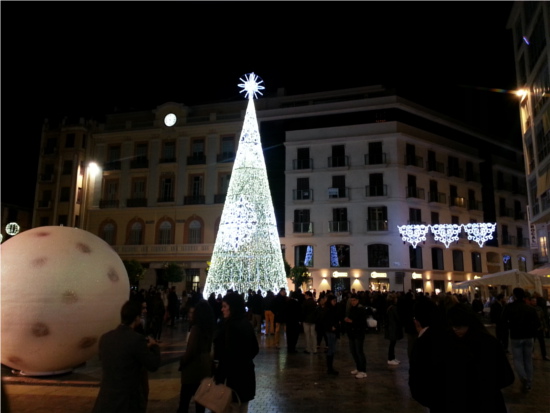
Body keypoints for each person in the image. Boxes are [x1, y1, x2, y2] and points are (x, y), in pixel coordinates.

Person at [92, 300, 161, 413]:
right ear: (137, 318)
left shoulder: (105, 337)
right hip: (126, 401)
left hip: (106, 398)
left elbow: (117, 355)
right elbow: (153, 365)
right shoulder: (136, 339)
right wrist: (154, 346)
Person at [214, 292, 259, 413]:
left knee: (232, 408)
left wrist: (220, 377)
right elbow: (255, 349)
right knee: (242, 408)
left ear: (232, 307)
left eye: (225, 306)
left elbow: (226, 354)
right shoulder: (246, 323)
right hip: (246, 375)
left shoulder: (229, 326)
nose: (222, 309)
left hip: (232, 379)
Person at [177, 300, 215, 413]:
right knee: (200, 404)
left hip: (193, 370)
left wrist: (182, 362)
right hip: (204, 368)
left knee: (184, 402)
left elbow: (191, 350)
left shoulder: (196, 329)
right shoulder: (209, 329)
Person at [502, 287, 540, 392]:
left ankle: (523, 377)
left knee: (518, 359)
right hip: (529, 337)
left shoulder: (509, 307)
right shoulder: (530, 309)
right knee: (528, 359)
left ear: (514, 295)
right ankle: (529, 381)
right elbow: (537, 324)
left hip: (516, 336)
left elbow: (503, 322)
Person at [344, 293, 367, 378]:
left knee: (359, 352)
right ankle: (358, 368)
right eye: (351, 300)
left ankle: (363, 370)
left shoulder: (361, 310)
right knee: (354, 352)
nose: (353, 302)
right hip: (352, 334)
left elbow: (362, 323)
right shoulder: (351, 309)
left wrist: (352, 322)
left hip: (358, 334)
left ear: (357, 300)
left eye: (354, 300)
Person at [320, 293, 340, 375]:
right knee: (331, 349)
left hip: (331, 330)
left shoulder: (329, 308)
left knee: (331, 349)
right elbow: (326, 320)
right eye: (333, 301)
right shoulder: (329, 309)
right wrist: (332, 326)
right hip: (331, 331)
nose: (335, 302)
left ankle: (330, 367)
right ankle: (330, 368)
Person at [529, 295, 549, 361]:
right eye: (533, 301)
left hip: (540, 327)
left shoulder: (539, 308)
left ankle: (544, 355)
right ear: (531, 301)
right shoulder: (529, 309)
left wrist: (545, 326)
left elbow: (542, 318)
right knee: (532, 342)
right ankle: (531, 354)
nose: (535, 302)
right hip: (532, 328)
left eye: (535, 301)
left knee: (542, 342)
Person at [385, 293, 403, 365]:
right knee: (392, 343)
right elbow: (397, 317)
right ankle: (390, 358)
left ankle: (392, 357)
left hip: (391, 326)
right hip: (393, 327)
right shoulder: (393, 308)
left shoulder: (389, 307)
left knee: (392, 343)